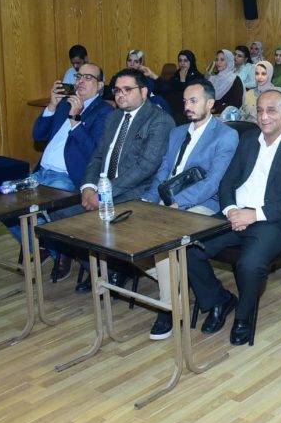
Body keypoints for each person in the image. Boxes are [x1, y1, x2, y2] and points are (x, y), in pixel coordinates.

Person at [187, 90, 281, 346]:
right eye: (259, 111)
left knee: (249, 264)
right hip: (235, 214)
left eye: (271, 110)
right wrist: (230, 210)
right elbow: (227, 181)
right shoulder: (247, 140)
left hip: (273, 221)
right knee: (189, 248)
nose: (264, 116)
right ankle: (219, 301)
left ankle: (243, 317)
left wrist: (254, 215)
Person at [140, 79, 240, 339]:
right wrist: (149, 200)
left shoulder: (226, 135)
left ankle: (169, 308)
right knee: (132, 238)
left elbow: (212, 182)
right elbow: (163, 172)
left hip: (203, 204)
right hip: (167, 201)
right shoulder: (177, 132)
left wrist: (178, 205)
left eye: (194, 101)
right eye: (185, 101)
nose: (187, 106)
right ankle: (178, 286)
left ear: (210, 103)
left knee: (166, 240)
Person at [70, 68, 175, 290]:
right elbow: (98, 155)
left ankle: (115, 269)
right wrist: (88, 187)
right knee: (62, 219)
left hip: (135, 191)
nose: (120, 95)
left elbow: (146, 167)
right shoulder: (114, 116)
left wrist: (104, 194)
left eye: (127, 89)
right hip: (104, 188)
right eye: (117, 90)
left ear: (144, 92)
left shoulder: (159, 120)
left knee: (84, 222)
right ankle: (106, 270)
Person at [21, 61, 112, 280]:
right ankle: (53, 247)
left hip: (67, 177)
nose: (81, 81)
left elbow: (93, 152)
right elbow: (38, 135)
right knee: (8, 206)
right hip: (41, 172)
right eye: (78, 76)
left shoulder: (105, 111)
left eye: (88, 78)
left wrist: (75, 118)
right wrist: (52, 106)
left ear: (100, 85)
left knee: (48, 209)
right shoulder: (64, 104)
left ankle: (60, 248)